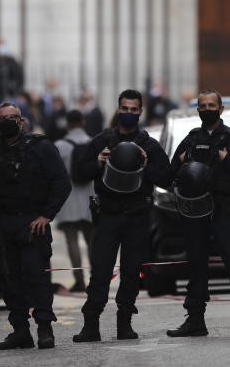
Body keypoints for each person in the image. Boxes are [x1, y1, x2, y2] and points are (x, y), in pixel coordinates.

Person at [72, 89, 173, 343]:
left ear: (140, 111)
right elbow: (78, 173)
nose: (128, 113)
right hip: (108, 216)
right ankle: (91, 324)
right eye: (124, 109)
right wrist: (97, 161)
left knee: (131, 272)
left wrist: (148, 164)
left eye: (133, 109)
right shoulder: (102, 140)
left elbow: (168, 178)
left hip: (137, 216)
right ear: (118, 110)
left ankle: (124, 323)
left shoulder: (149, 144)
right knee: (101, 271)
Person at [0, 101, 71, 350]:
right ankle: (20, 331)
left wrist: (47, 216)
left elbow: (61, 182)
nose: (8, 121)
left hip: (32, 224)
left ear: (22, 120)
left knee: (36, 278)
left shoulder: (41, 148)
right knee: (9, 280)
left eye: (12, 117)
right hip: (3, 225)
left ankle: (45, 330)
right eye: (3, 118)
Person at [167, 89, 230, 338]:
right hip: (195, 213)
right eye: (202, 105)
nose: (207, 109)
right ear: (197, 110)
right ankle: (195, 320)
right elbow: (169, 175)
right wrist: (182, 160)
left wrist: (226, 159)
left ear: (221, 109)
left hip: (224, 210)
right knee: (196, 265)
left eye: (211, 105)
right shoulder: (190, 139)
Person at [53, 110, 95, 292]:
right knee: (92, 240)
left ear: (67, 124)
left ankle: (79, 280)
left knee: (72, 241)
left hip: (68, 199)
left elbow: (54, 174)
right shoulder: (92, 143)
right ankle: (96, 278)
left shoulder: (60, 146)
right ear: (83, 122)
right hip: (89, 198)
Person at [0, 39, 24, 105]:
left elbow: (19, 78)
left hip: (11, 96)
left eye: (2, 46)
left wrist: (19, 93)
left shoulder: (13, 63)